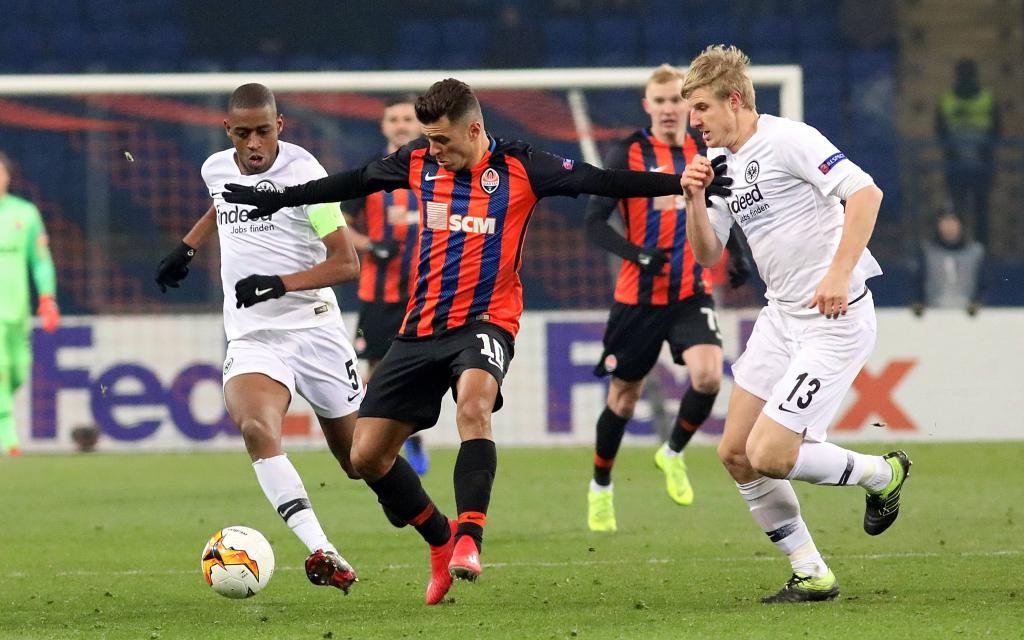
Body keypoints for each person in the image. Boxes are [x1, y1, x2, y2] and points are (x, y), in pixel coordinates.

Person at [222, 77, 732, 605]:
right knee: (365, 458)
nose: (433, 150)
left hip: (488, 321)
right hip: (421, 327)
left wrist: (681, 184)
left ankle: (470, 538)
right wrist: (280, 198)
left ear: (474, 129)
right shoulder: (418, 161)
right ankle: (442, 540)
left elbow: (602, 181)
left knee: (474, 405)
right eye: (428, 140)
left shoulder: (521, 167)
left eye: (442, 140)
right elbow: (351, 182)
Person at [680, 45, 912, 604]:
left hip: (835, 318)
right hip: (780, 319)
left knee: (771, 455)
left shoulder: (789, 139)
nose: (695, 122)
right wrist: (693, 198)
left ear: (734, 100)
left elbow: (866, 193)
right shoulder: (720, 167)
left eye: (703, 109)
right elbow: (708, 255)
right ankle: (811, 570)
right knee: (735, 453)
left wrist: (837, 272)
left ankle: (882, 475)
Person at [154, 83, 361, 594]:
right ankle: (322, 549)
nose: (253, 143)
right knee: (256, 428)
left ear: (280, 127)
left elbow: (346, 261)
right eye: (242, 133)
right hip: (253, 337)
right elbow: (221, 204)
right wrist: (187, 247)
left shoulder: (307, 175)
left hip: (315, 329)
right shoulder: (215, 168)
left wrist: (281, 283)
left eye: (262, 132)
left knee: (360, 461)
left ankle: (432, 524)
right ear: (227, 131)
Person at [583, 64, 749, 532]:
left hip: (690, 291)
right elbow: (594, 223)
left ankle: (672, 451)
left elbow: (722, 207)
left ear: (688, 102)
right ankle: (601, 486)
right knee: (622, 401)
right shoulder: (628, 151)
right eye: (660, 101)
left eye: (678, 100)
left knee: (709, 376)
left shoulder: (706, 149)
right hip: (637, 299)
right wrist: (636, 254)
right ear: (647, 106)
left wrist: (735, 257)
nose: (670, 109)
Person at [345, 94, 429, 476]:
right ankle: (380, 441)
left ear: (421, 125)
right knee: (377, 372)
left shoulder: (439, 169)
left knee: (421, 372)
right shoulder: (370, 173)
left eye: (407, 119)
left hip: (425, 293)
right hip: (378, 294)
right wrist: (369, 245)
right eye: (393, 119)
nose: (400, 125)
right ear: (384, 126)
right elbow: (338, 223)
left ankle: (409, 434)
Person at [0, 151, 60, 457]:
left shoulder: (25, 214)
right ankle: (8, 439)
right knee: (2, 367)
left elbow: (40, 261)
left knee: (19, 370)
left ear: (8, 176)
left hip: (17, 308)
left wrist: (47, 298)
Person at [935, 58, 1000, 246]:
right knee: (960, 211)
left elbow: (996, 130)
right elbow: (940, 130)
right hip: (959, 164)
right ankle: (962, 247)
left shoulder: (986, 98)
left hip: (980, 164)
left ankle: (980, 252)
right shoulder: (947, 99)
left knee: (980, 211)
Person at [910, 209, 985, 316]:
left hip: (968, 316)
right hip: (933, 314)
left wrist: (977, 303)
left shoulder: (975, 253)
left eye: (953, 222)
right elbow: (917, 281)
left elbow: (984, 283)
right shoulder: (927, 252)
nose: (949, 227)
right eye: (945, 222)